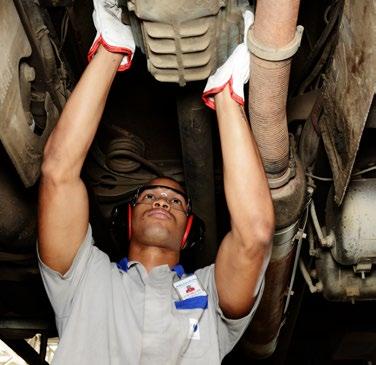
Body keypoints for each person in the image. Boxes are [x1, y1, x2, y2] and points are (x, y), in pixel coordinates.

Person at [37, 1, 275, 364]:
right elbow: (57, 172)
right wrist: (111, 49)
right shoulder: (84, 279)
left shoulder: (209, 295)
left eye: (177, 202)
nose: (163, 201)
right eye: (149, 196)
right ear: (129, 219)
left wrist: (226, 96)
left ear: (187, 233)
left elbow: (255, 235)